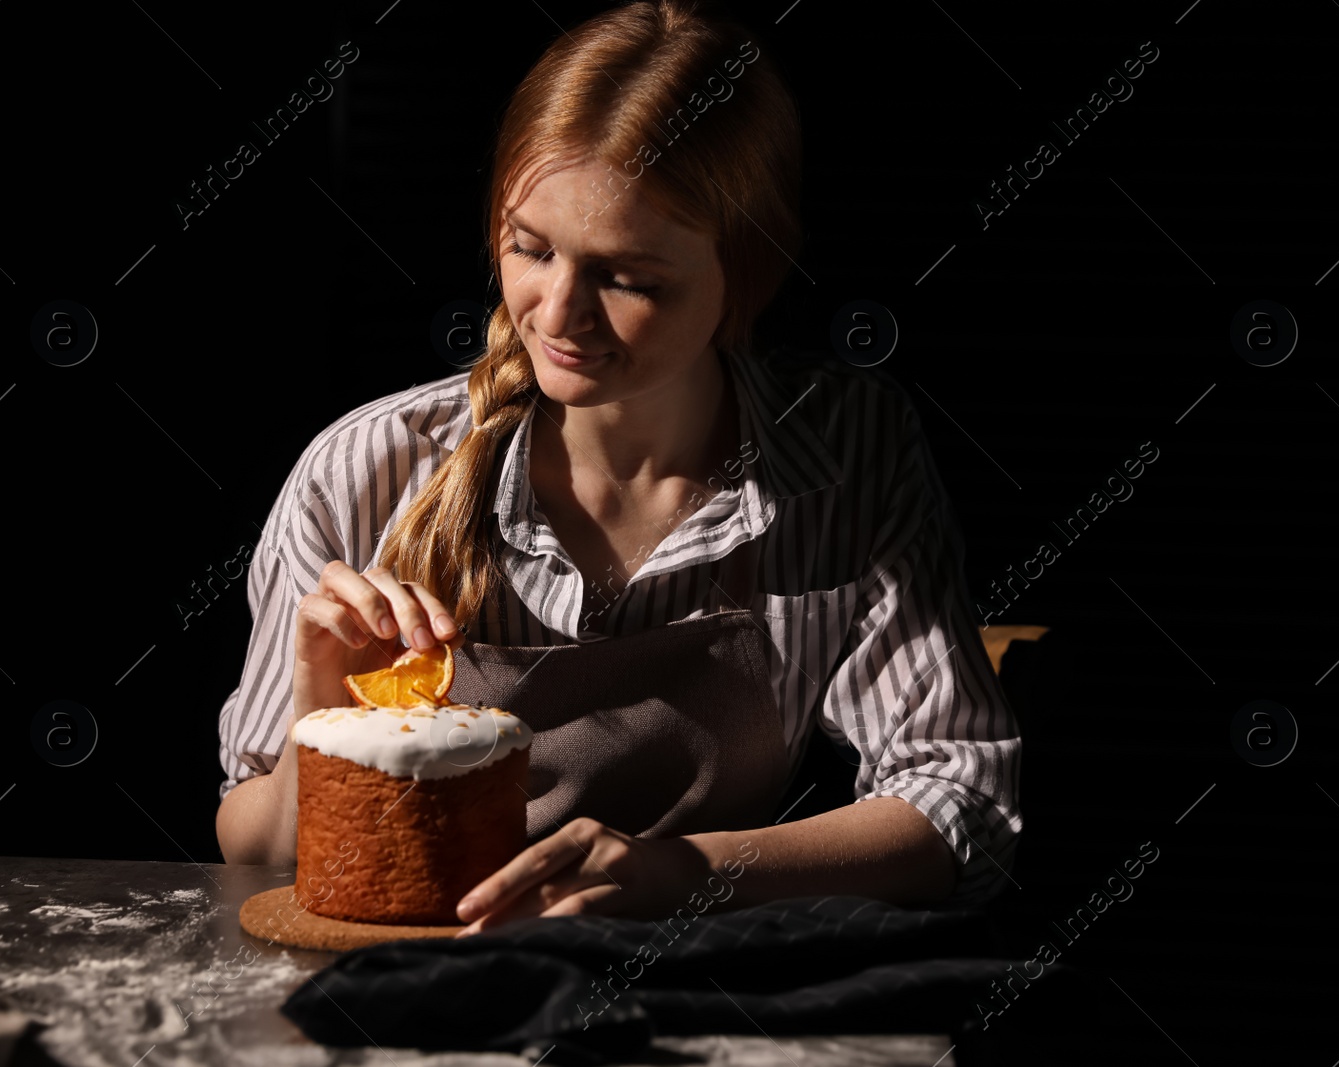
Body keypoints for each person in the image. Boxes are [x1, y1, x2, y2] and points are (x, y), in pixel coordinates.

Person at [215, 0, 1020, 935]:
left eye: (628, 278)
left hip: (699, 992)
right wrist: (322, 716)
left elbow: (961, 804)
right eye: (530, 248)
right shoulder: (365, 471)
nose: (557, 313)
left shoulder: (847, 456)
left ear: (746, 272)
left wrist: (682, 873)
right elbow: (256, 857)